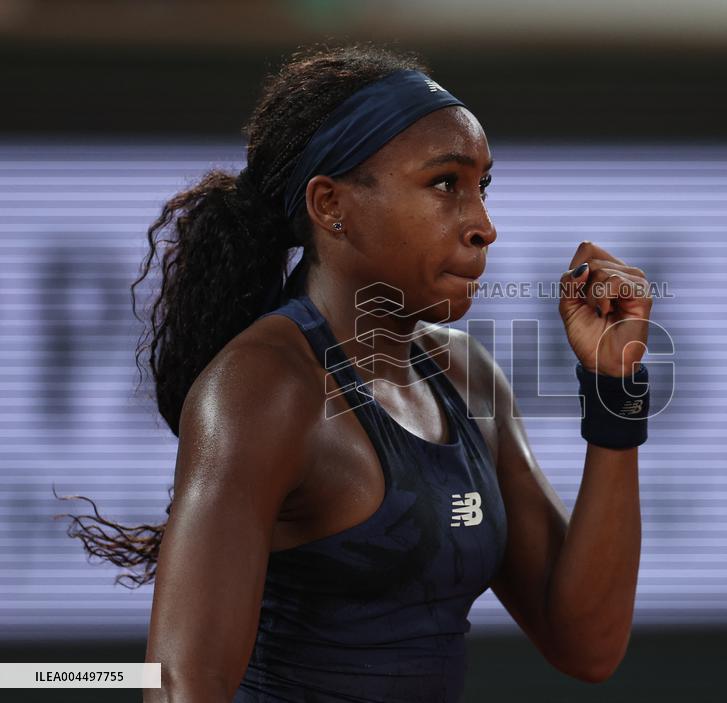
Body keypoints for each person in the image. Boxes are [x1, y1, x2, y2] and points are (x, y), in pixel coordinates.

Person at [57, 42, 654, 702]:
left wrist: (613, 388)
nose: (484, 226)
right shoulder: (263, 388)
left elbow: (588, 644)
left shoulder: (469, 376)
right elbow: (180, 685)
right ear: (331, 204)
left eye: (481, 187)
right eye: (445, 184)